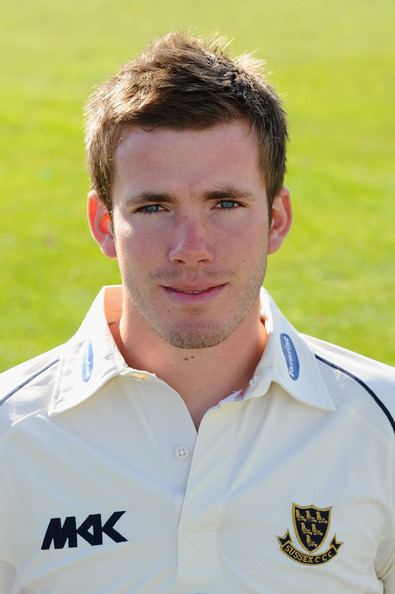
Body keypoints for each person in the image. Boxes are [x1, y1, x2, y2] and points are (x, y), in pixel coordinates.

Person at [0, 31, 394, 594]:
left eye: (225, 203)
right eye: (154, 206)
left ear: (277, 218)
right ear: (104, 224)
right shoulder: (10, 438)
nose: (192, 247)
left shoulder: (382, 427)